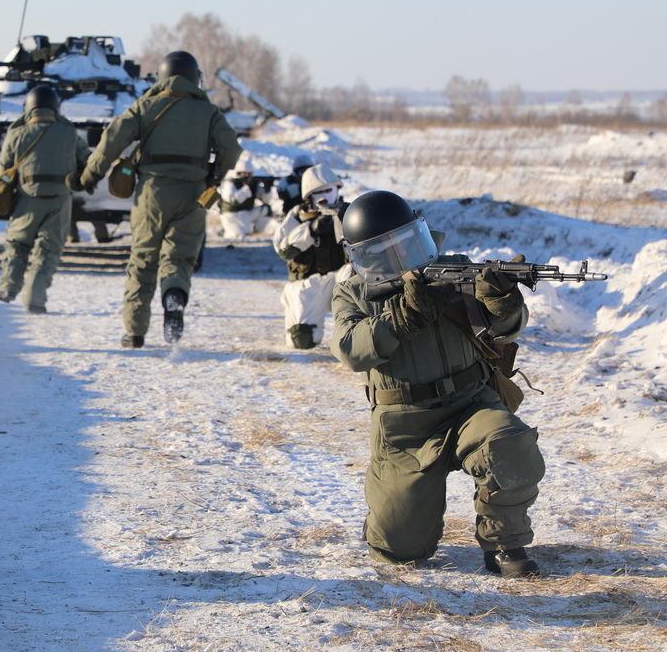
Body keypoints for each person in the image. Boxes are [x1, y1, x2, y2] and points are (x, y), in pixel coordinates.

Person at [330, 190, 544, 578]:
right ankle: (386, 519)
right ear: (363, 256)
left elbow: (507, 331)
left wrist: (501, 300)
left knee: (510, 446)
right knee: (399, 549)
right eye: (385, 251)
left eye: (407, 244)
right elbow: (350, 349)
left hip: (470, 405)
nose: (399, 257)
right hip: (404, 427)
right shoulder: (354, 292)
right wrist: (401, 317)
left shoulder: (456, 272)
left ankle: (503, 545)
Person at [68, 50, 242, 347]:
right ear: (193, 78)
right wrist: (213, 178)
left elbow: (111, 140)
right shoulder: (209, 112)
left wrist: (88, 177)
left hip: (152, 192)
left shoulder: (146, 106)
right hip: (194, 193)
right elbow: (231, 150)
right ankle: (174, 295)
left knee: (143, 260)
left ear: (163, 77)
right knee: (179, 257)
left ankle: (135, 332)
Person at [0, 85, 90, 313]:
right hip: (59, 198)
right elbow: (86, 161)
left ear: (28, 107)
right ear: (55, 107)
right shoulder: (69, 132)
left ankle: (7, 289)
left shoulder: (16, 133)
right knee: (47, 251)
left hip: (27, 197)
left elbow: (4, 171)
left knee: (17, 245)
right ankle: (35, 300)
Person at [272, 164, 351, 349]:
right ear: (309, 196)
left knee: (354, 278)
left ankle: (353, 336)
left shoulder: (350, 212)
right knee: (302, 338)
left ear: (337, 189)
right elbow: (284, 251)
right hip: (308, 285)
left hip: (341, 278)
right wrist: (310, 230)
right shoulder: (298, 215)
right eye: (318, 192)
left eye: (328, 190)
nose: (324, 196)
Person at [217, 156, 274, 240]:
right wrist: (247, 187)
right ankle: (225, 231)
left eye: (249, 174)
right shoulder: (229, 183)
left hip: (247, 212)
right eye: (244, 173)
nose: (247, 176)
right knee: (237, 237)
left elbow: (265, 199)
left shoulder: (251, 184)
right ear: (238, 173)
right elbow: (234, 200)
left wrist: (268, 188)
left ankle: (258, 230)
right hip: (232, 216)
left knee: (266, 209)